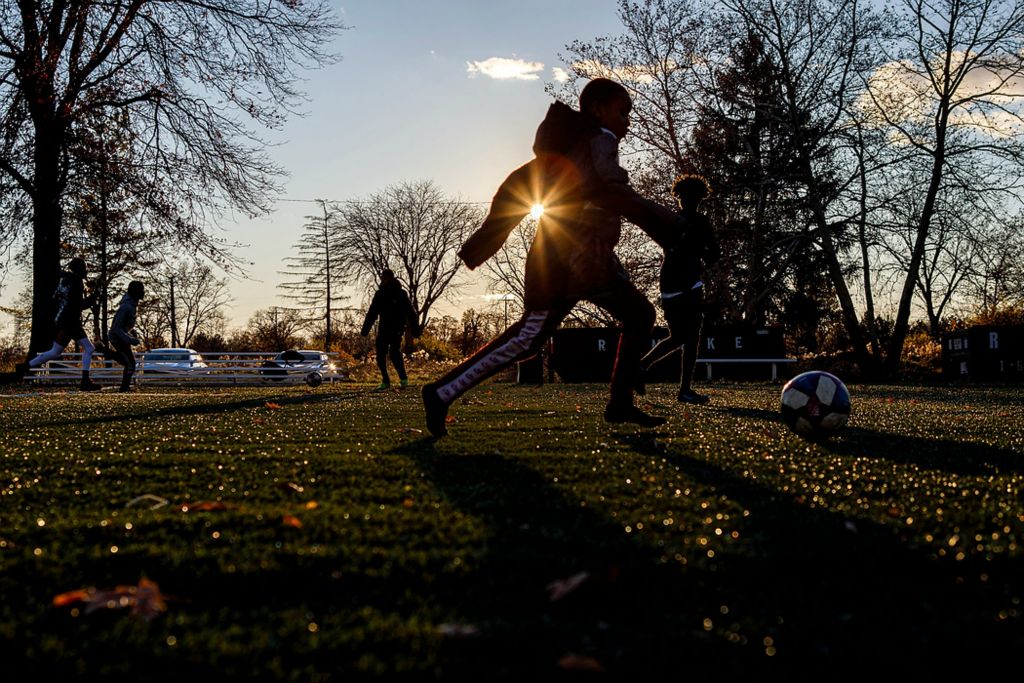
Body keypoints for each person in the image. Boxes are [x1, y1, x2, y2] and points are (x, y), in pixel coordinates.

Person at [421, 78, 683, 437]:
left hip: (583, 258)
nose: (628, 121)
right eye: (623, 112)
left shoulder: (577, 145)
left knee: (633, 315)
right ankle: (440, 392)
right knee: (531, 337)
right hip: (568, 261)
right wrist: (673, 226)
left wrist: (485, 240)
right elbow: (615, 193)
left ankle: (620, 403)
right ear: (598, 110)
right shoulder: (598, 141)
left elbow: (521, 184)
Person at [638, 174, 720, 404]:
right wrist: (700, 252)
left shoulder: (676, 220)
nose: (688, 200)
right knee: (685, 337)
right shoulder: (691, 222)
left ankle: (647, 369)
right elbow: (712, 254)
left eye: (690, 197)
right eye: (686, 196)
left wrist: (700, 251)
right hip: (682, 283)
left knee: (683, 337)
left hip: (677, 283)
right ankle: (678, 386)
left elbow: (712, 254)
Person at [16, 257, 102, 391]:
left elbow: (55, 300)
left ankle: (24, 367)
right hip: (71, 321)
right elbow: (78, 305)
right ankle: (85, 381)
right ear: (79, 269)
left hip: (62, 320)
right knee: (89, 349)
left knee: (55, 352)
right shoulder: (77, 282)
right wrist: (94, 297)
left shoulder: (63, 281)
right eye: (84, 268)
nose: (85, 270)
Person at [361, 269, 421, 389]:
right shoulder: (380, 294)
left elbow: (410, 312)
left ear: (390, 278)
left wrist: (415, 329)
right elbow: (372, 312)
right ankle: (386, 380)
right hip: (384, 327)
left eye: (384, 278)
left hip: (397, 328)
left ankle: (403, 379)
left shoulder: (400, 294)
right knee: (381, 355)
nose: (382, 280)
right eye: (382, 278)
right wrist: (365, 329)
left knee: (394, 353)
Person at [102, 280, 145, 393]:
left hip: (121, 337)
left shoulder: (131, 305)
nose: (143, 292)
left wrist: (131, 333)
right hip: (117, 337)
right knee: (130, 364)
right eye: (141, 290)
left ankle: (124, 387)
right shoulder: (127, 307)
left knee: (129, 363)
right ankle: (124, 388)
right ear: (135, 291)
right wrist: (130, 339)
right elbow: (117, 328)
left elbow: (124, 327)